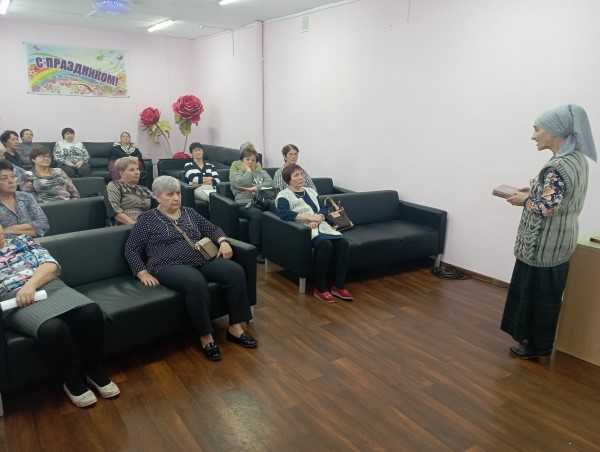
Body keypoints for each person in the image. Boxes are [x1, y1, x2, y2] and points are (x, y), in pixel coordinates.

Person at [125, 175, 257, 361]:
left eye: (178, 193)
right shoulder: (146, 219)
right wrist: (142, 272)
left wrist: (223, 241)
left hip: (200, 259)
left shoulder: (189, 212)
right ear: (157, 196)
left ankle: (235, 327)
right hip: (166, 265)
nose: (176, 198)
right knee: (195, 282)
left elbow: (212, 229)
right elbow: (131, 249)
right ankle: (206, 336)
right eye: (169, 194)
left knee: (234, 271)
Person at [501, 104, 596, 360]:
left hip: (543, 246)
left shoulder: (557, 166)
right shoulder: (577, 159)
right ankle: (539, 344)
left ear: (555, 131)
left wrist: (523, 200)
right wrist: (532, 190)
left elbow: (546, 207)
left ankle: (535, 346)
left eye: (537, 129)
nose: (533, 136)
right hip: (560, 242)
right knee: (548, 297)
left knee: (537, 298)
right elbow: (559, 197)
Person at [0, 224, 119, 408]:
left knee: (90, 311)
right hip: (14, 301)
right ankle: (72, 380)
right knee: (52, 327)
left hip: (48, 286)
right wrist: (21, 291)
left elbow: (51, 265)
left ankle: (94, 370)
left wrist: (30, 285)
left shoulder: (21, 241)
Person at [276, 164, 353, 303]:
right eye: (296, 175)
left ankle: (338, 286)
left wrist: (319, 218)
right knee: (325, 245)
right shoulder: (283, 195)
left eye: (301, 174)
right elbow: (284, 214)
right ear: (288, 179)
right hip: (303, 229)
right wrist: (308, 218)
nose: (301, 177)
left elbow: (323, 208)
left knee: (343, 243)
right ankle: (320, 288)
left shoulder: (310, 191)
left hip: (320, 225)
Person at [229, 142, 273, 263]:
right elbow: (240, 183)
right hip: (243, 204)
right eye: (247, 159)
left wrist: (256, 188)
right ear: (242, 161)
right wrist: (248, 171)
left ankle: (277, 247)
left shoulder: (261, 172)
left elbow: (270, 183)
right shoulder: (237, 173)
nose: (250, 162)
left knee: (275, 207)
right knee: (256, 214)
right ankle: (256, 249)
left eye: (253, 160)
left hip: (260, 201)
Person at [0, 160, 49, 237]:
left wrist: (11, 229)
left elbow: (43, 223)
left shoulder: (26, 197)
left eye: (13, 177)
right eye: (4, 178)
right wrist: (31, 231)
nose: (11, 181)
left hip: (35, 242)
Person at [105, 157, 153, 225]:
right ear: (121, 173)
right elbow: (115, 211)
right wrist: (136, 225)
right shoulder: (114, 186)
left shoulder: (143, 189)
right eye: (132, 170)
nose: (137, 172)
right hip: (126, 225)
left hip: (146, 222)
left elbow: (159, 201)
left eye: (137, 169)